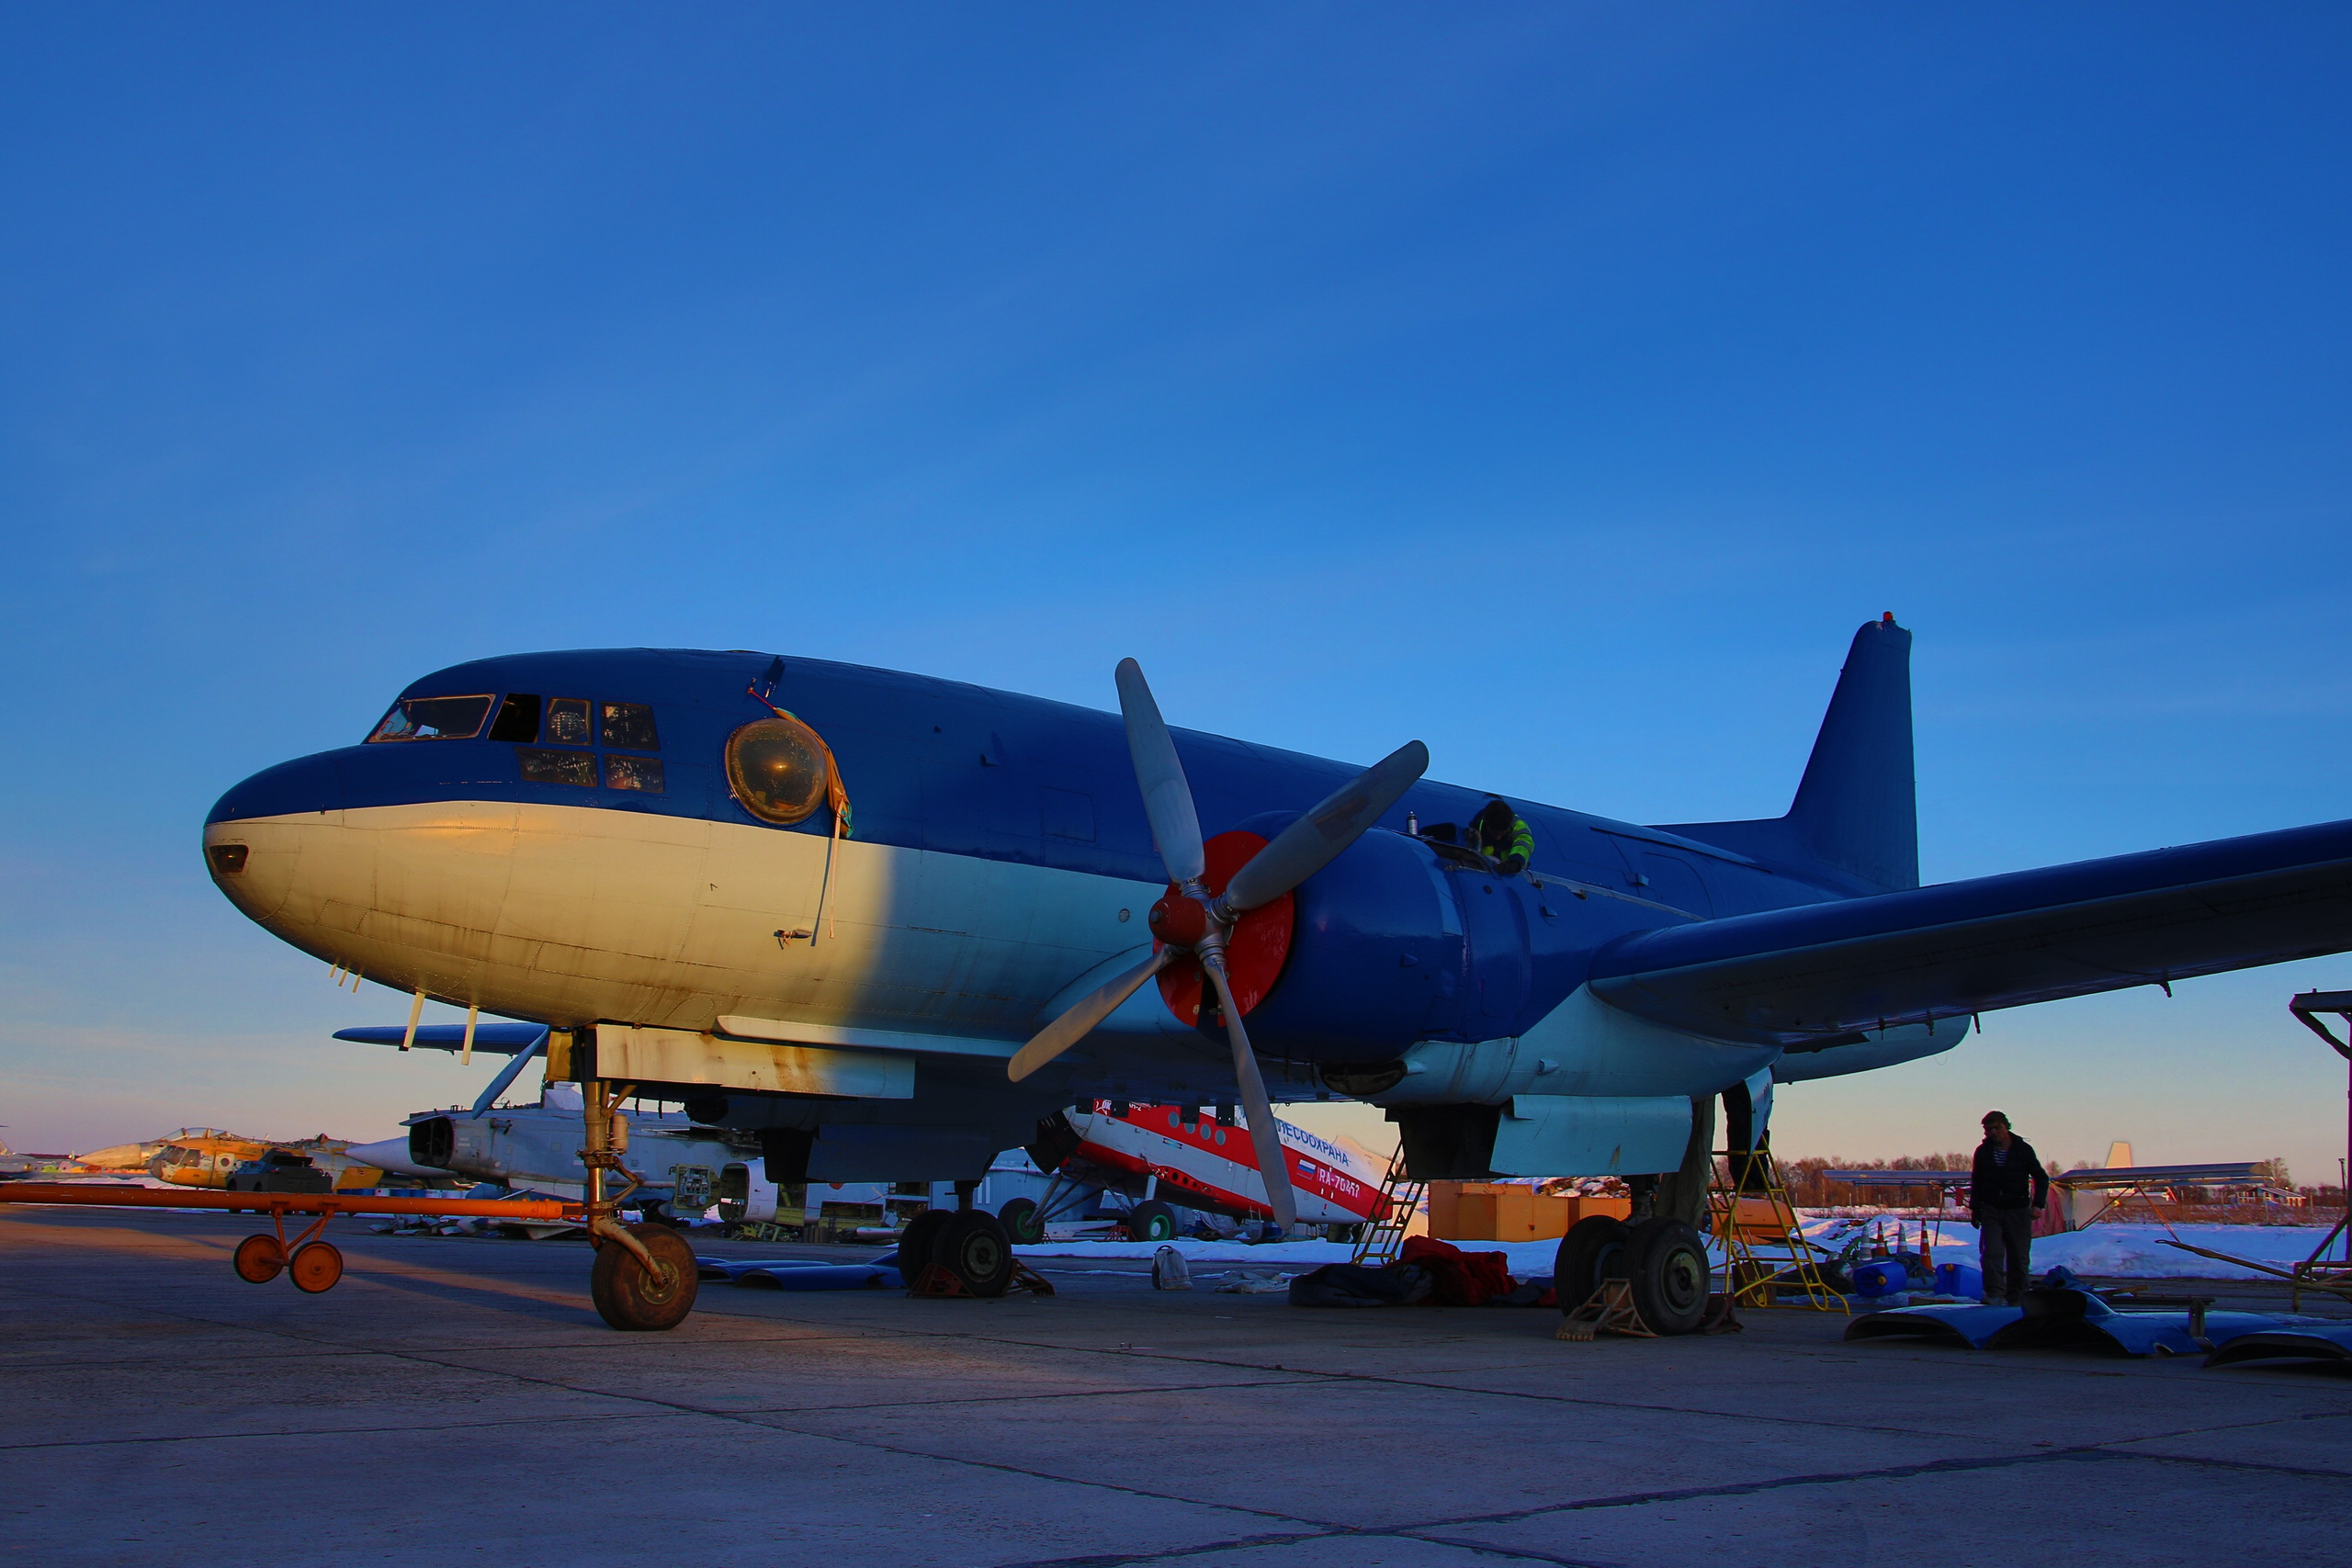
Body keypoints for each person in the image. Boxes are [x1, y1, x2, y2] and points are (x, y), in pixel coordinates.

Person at [1968, 1111, 2049, 1305]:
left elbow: (2041, 1177)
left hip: (2018, 1209)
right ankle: (1994, 1293)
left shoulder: (2023, 1150)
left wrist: (2038, 1204)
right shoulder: (1983, 1152)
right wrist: (1975, 1209)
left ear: (2006, 1127)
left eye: (1997, 1128)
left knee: (2018, 1255)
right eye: (1989, 1129)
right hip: (1991, 1208)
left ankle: (2018, 1296)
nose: (1994, 1132)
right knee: (1992, 1253)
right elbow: (1977, 1180)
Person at [1470, 797, 1534, 875]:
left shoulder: (1518, 825)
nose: (1498, 838)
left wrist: (1515, 862)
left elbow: (1524, 842)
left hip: (1511, 875)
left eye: (1502, 834)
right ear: (1486, 823)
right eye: (1494, 834)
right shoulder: (1473, 832)